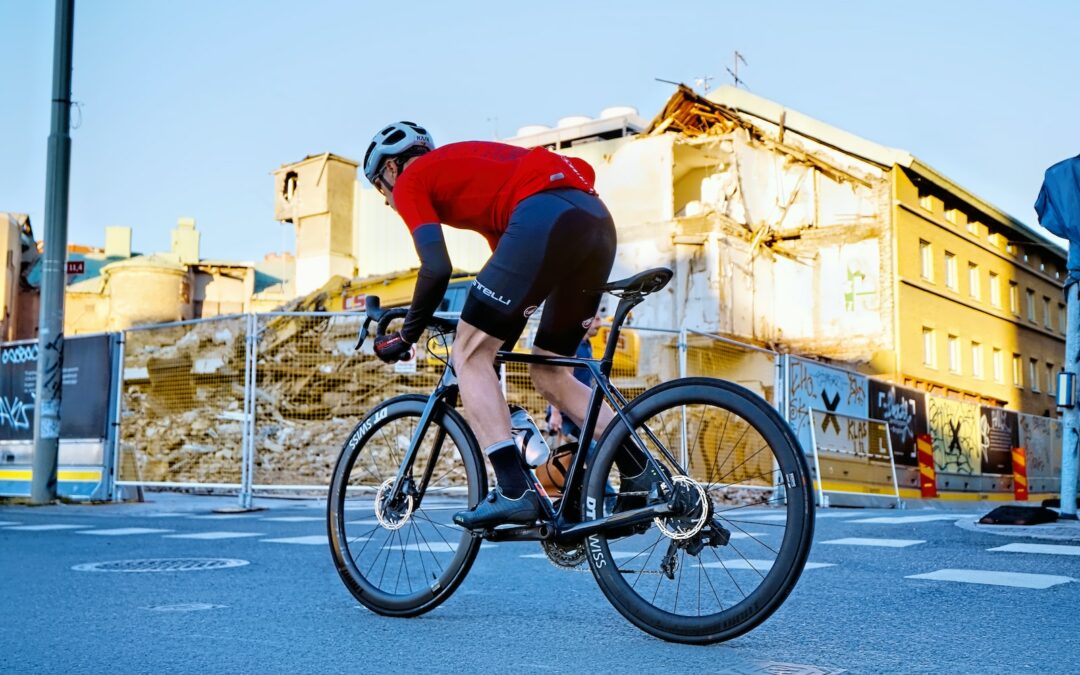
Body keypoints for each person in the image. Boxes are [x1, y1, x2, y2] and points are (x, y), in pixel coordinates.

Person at [363, 121, 654, 529]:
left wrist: (407, 334)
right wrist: (478, 329)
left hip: (544, 215)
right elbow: (510, 289)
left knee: (467, 355)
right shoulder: (476, 182)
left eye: (380, 190)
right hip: (593, 221)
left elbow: (436, 268)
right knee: (551, 371)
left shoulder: (413, 179)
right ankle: (641, 474)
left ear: (391, 169)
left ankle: (514, 490)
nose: (389, 202)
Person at [546, 309, 603, 442]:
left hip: (580, 410)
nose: (600, 322)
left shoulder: (586, 345)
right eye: (596, 318)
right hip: (566, 414)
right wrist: (555, 413)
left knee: (587, 451)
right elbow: (556, 380)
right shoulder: (573, 347)